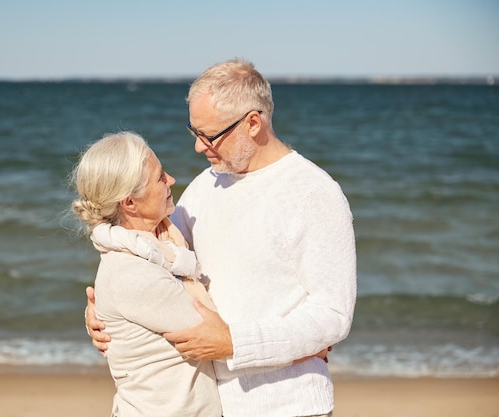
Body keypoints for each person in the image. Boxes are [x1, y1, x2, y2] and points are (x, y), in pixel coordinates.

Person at [86, 59, 357, 417]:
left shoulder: (314, 193)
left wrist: (235, 343)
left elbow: (332, 316)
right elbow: (148, 258)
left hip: (288, 405)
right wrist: (104, 313)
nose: (199, 147)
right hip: (214, 405)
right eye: (193, 131)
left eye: (209, 135)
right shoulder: (204, 187)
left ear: (253, 123)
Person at [71, 132, 222, 417]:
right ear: (129, 203)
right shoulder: (131, 272)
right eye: (160, 177)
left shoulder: (165, 244)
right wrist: (297, 344)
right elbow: (217, 335)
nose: (172, 181)